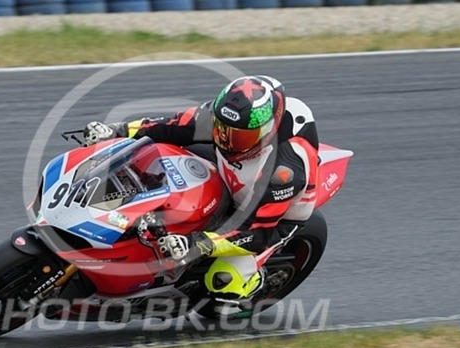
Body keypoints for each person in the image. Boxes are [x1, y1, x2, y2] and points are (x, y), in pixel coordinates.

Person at [84, 75, 319, 317]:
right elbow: (171, 125)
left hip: (273, 218)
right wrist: (118, 131)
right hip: (231, 173)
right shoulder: (222, 119)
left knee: (223, 286)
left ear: (267, 130)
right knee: (158, 160)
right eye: (222, 129)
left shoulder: (284, 172)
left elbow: (257, 233)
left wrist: (198, 244)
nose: (227, 140)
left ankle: (254, 283)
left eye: (240, 136)